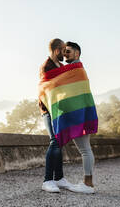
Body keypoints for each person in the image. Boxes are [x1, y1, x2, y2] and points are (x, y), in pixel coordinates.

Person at [39, 38, 74, 193]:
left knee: (59, 141)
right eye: (63, 50)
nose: (65, 53)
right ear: (56, 50)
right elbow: (47, 89)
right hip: (48, 110)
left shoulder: (61, 66)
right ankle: (47, 180)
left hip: (60, 110)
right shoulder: (46, 67)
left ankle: (59, 178)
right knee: (54, 141)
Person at [64, 42, 96, 194]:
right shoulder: (76, 69)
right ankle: (87, 182)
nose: (65, 54)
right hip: (81, 114)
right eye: (64, 51)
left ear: (77, 53)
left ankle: (88, 184)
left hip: (80, 115)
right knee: (85, 149)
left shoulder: (75, 70)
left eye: (68, 51)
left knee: (84, 149)